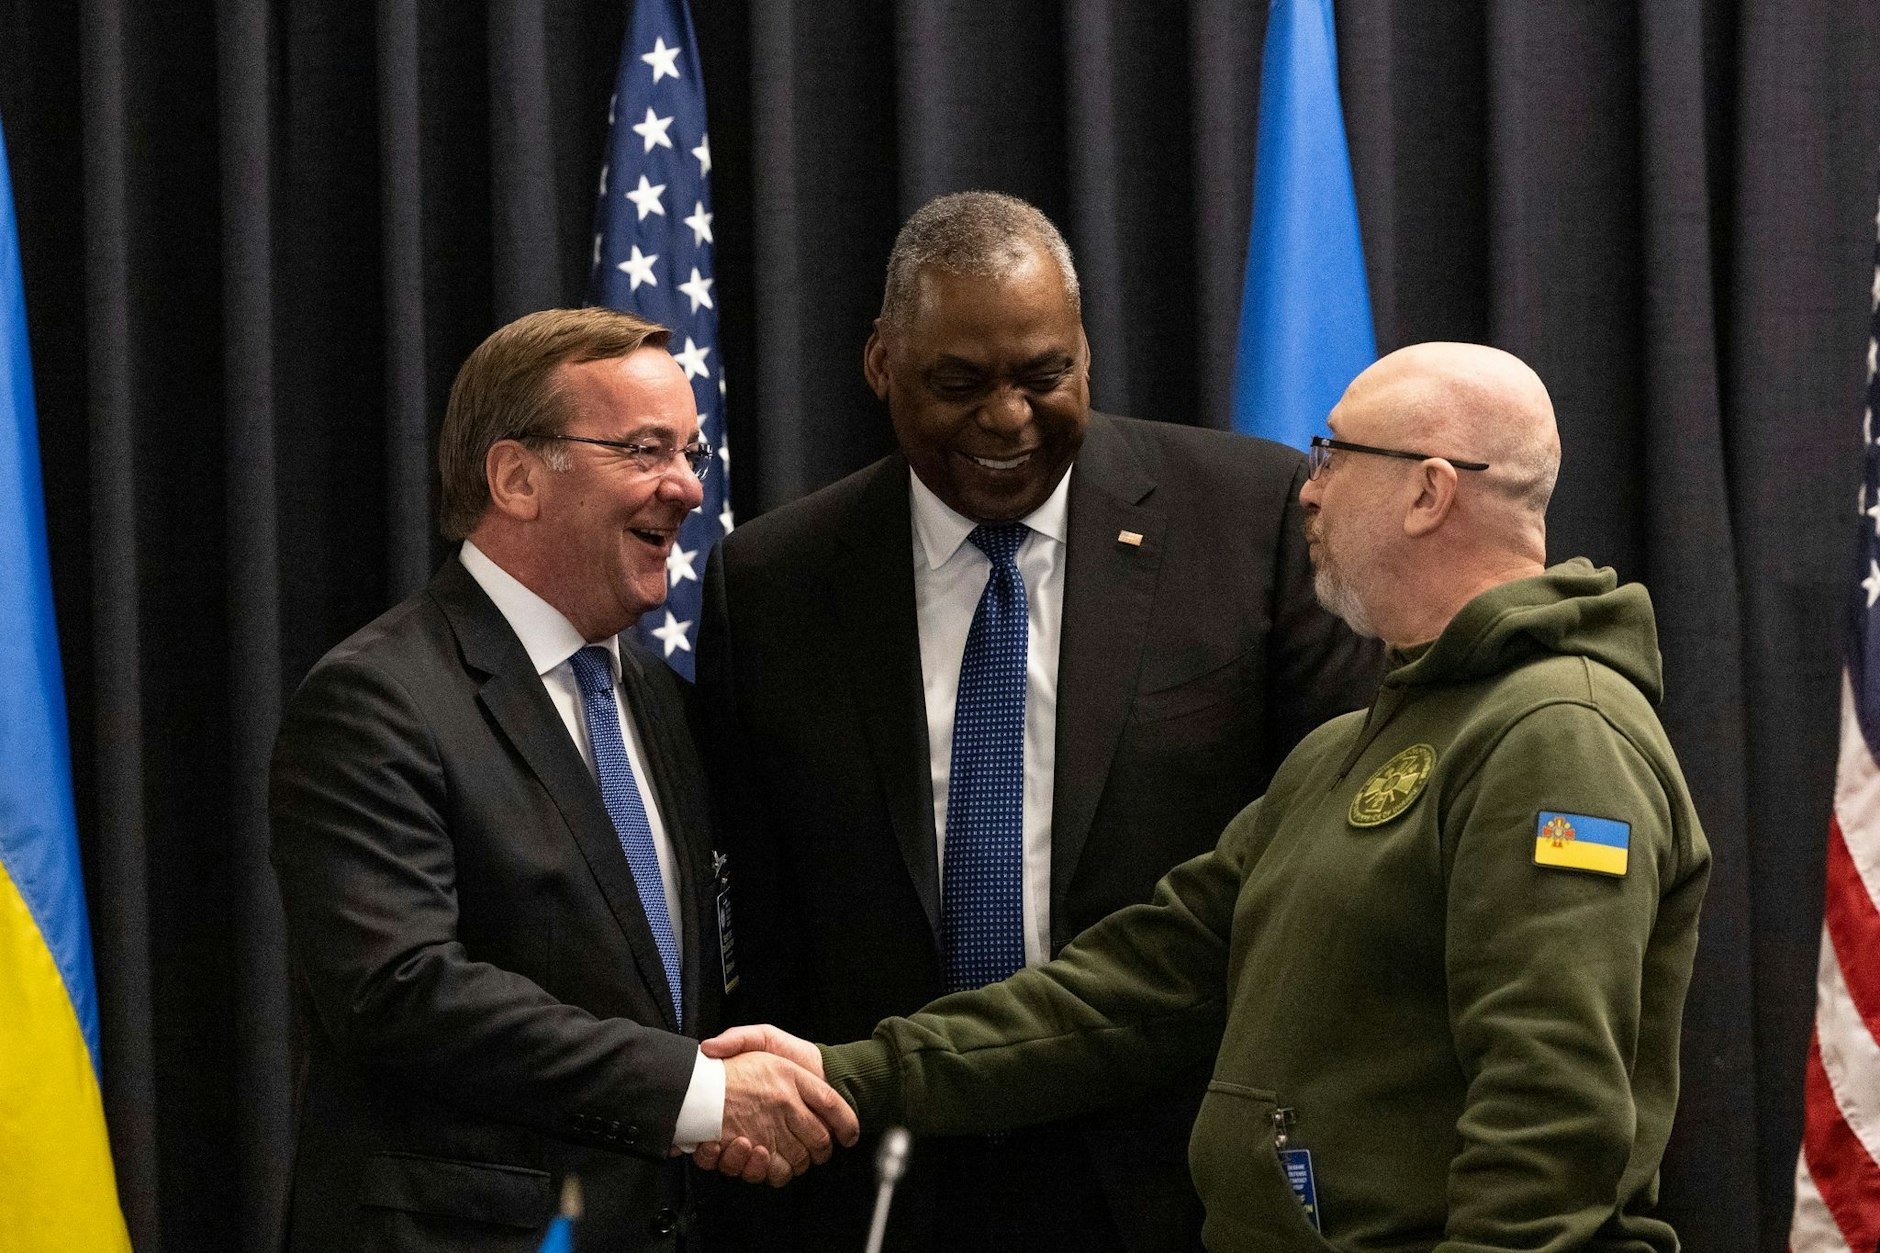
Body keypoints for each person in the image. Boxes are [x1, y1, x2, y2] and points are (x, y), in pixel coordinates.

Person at [705, 342, 1713, 1252]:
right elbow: (1138, 983)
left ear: (1428, 492)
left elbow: (1552, 1118)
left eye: (1333, 456)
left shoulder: (1555, 736)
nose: (1307, 493)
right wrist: (853, 1072)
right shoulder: (1340, 751)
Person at [696, 192, 1379, 1252]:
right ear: (882, 363)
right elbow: (768, 914)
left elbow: (1319, 872)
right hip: (882, 1175)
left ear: (1085, 354)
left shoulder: (1249, 522)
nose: (1006, 418)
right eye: (958, 382)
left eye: (1041, 375)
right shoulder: (772, 581)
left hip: (1177, 1170)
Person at [269, 308, 857, 1252]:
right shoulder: (376, 700)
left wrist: (739, 1084)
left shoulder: (658, 697)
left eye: (691, 451)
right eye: (645, 449)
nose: (688, 488)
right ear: (517, 477)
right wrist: (698, 1094)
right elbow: (403, 990)